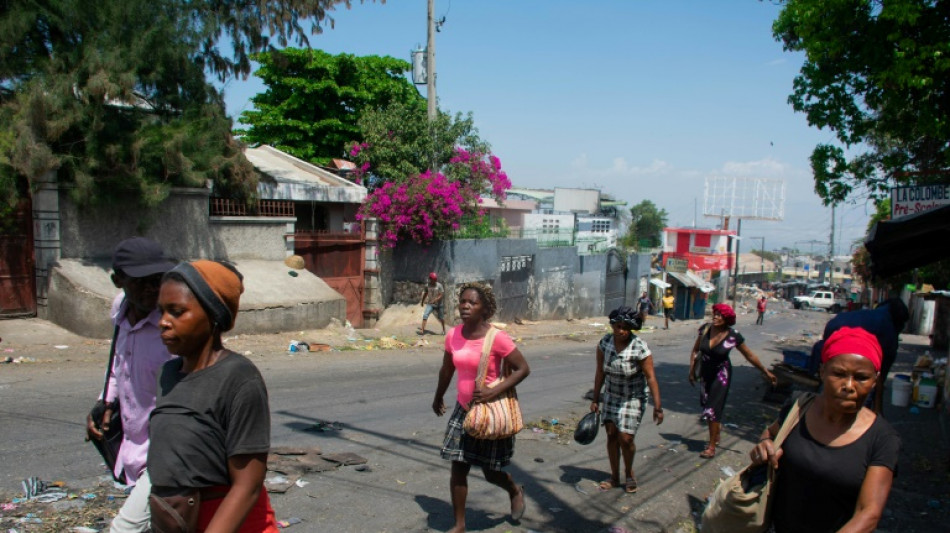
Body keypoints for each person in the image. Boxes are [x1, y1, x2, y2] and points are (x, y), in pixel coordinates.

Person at [149, 260, 278, 532]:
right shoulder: (167, 375)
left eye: (177, 311)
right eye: (161, 311)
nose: (163, 322)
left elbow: (248, 485)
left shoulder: (240, 378)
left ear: (213, 315)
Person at [750, 327, 901, 532]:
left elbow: (868, 514)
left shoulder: (882, 439)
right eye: (838, 374)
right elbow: (769, 434)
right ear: (822, 372)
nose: (849, 385)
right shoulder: (798, 408)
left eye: (861, 377)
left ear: (875, 380)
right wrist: (763, 446)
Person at [85, 237, 177, 533]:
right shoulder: (120, 310)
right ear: (118, 280)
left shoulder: (174, 323)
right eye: (142, 281)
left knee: (126, 528)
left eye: (157, 279)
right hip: (135, 442)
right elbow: (118, 362)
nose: (152, 288)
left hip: (168, 448)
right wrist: (107, 402)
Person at [432, 282, 530, 533]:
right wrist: (438, 396)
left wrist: (491, 391)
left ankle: (514, 489)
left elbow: (522, 369)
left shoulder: (497, 338)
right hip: (463, 411)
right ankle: (460, 525)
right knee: (458, 466)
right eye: (463, 301)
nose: (465, 306)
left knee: (490, 472)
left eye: (472, 302)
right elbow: (447, 369)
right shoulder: (453, 335)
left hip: (488, 413)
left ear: (484, 309)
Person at [590, 306, 663, 494]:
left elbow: (651, 377)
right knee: (612, 435)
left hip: (633, 397)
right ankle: (614, 476)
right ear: (612, 325)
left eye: (625, 327)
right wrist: (596, 398)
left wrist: (658, 406)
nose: (621, 331)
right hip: (612, 395)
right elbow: (600, 372)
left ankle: (629, 472)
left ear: (631, 328)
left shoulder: (639, 347)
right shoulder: (604, 343)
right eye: (617, 326)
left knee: (626, 438)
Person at [688, 303, 777, 458]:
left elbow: (749, 355)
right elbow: (696, 350)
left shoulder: (733, 336)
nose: (715, 317)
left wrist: (765, 371)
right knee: (706, 405)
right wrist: (692, 370)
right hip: (705, 374)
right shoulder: (705, 329)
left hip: (721, 375)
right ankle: (716, 431)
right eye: (715, 314)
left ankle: (711, 447)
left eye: (720, 315)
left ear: (726, 319)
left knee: (712, 409)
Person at [810, 298, 909, 413]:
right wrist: (878, 410)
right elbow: (881, 376)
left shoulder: (868, 316)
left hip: (831, 342)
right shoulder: (887, 328)